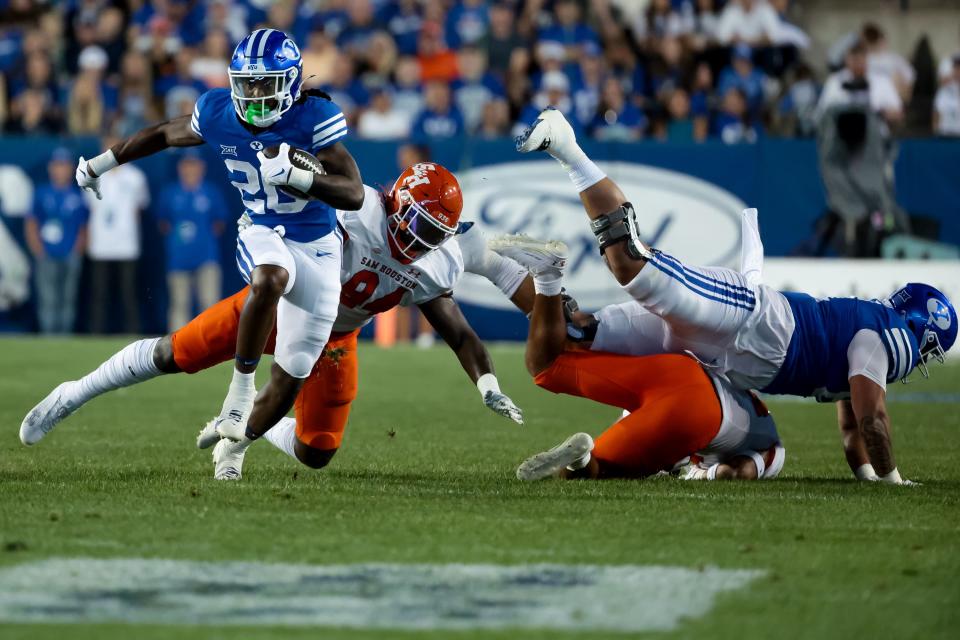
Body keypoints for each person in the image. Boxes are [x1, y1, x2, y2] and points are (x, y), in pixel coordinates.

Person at [508, 107, 957, 485]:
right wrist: (895, 480)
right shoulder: (890, 336)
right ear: (918, 326)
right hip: (749, 321)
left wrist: (870, 478)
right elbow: (872, 420)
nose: (926, 356)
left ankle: (535, 277)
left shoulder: (866, 342)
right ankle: (567, 146)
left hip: (723, 357)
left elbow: (852, 424)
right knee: (630, 261)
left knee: (567, 338)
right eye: (932, 346)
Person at [21, 162, 533, 483]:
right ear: (397, 205)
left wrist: (487, 383)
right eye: (418, 226)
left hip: (336, 335)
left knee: (317, 452)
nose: (421, 242)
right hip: (280, 303)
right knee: (172, 354)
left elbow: (459, 332)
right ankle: (76, 391)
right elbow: (305, 187)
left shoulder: (434, 263)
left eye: (434, 234)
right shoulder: (356, 210)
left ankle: (243, 435)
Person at [69, 29, 365, 456]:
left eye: (267, 83)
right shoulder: (216, 111)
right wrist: (101, 162)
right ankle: (239, 392)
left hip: (317, 244)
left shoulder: (314, 117)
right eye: (248, 84)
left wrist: (303, 179)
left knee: (294, 374)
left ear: (292, 82)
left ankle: (236, 444)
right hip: (261, 226)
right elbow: (162, 134)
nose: (256, 95)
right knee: (270, 277)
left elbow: (353, 192)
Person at [504, 242, 784, 482]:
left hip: (677, 367)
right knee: (598, 469)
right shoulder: (771, 448)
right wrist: (703, 473)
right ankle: (581, 462)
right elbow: (737, 472)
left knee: (550, 363)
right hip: (700, 415)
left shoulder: (749, 389)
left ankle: (541, 276)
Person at [85, 135, 149, 334]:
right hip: (100, 245)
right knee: (99, 295)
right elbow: (89, 209)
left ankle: (132, 335)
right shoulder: (92, 174)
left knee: (129, 294)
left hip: (126, 245)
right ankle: (96, 335)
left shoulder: (135, 177)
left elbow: (140, 208)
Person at [157, 150, 227, 331]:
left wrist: (202, 239)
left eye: (194, 165)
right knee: (179, 304)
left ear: (201, 167)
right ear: (181, 167)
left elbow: (219, 223)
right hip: (178, 259)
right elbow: (163, 223)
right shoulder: (170, 193)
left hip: (206, 257)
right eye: (187, 165)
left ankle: (211, 343)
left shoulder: (210, 192)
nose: (190, 169)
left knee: (209, 302)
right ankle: (176, 347)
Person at [25, 148, 88, 335]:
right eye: (58, 165)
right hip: (47, 253)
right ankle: (49, 338)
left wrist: (78, 250)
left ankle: (64, 337)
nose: (61, 170)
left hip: (70, 253)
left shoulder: (78, 195)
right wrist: (38, 249)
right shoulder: (41, 193)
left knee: (68, 298)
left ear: (71, 169)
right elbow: (31, 223)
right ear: (51, 168)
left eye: (65, 165)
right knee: (48, 298)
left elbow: (84, 227)